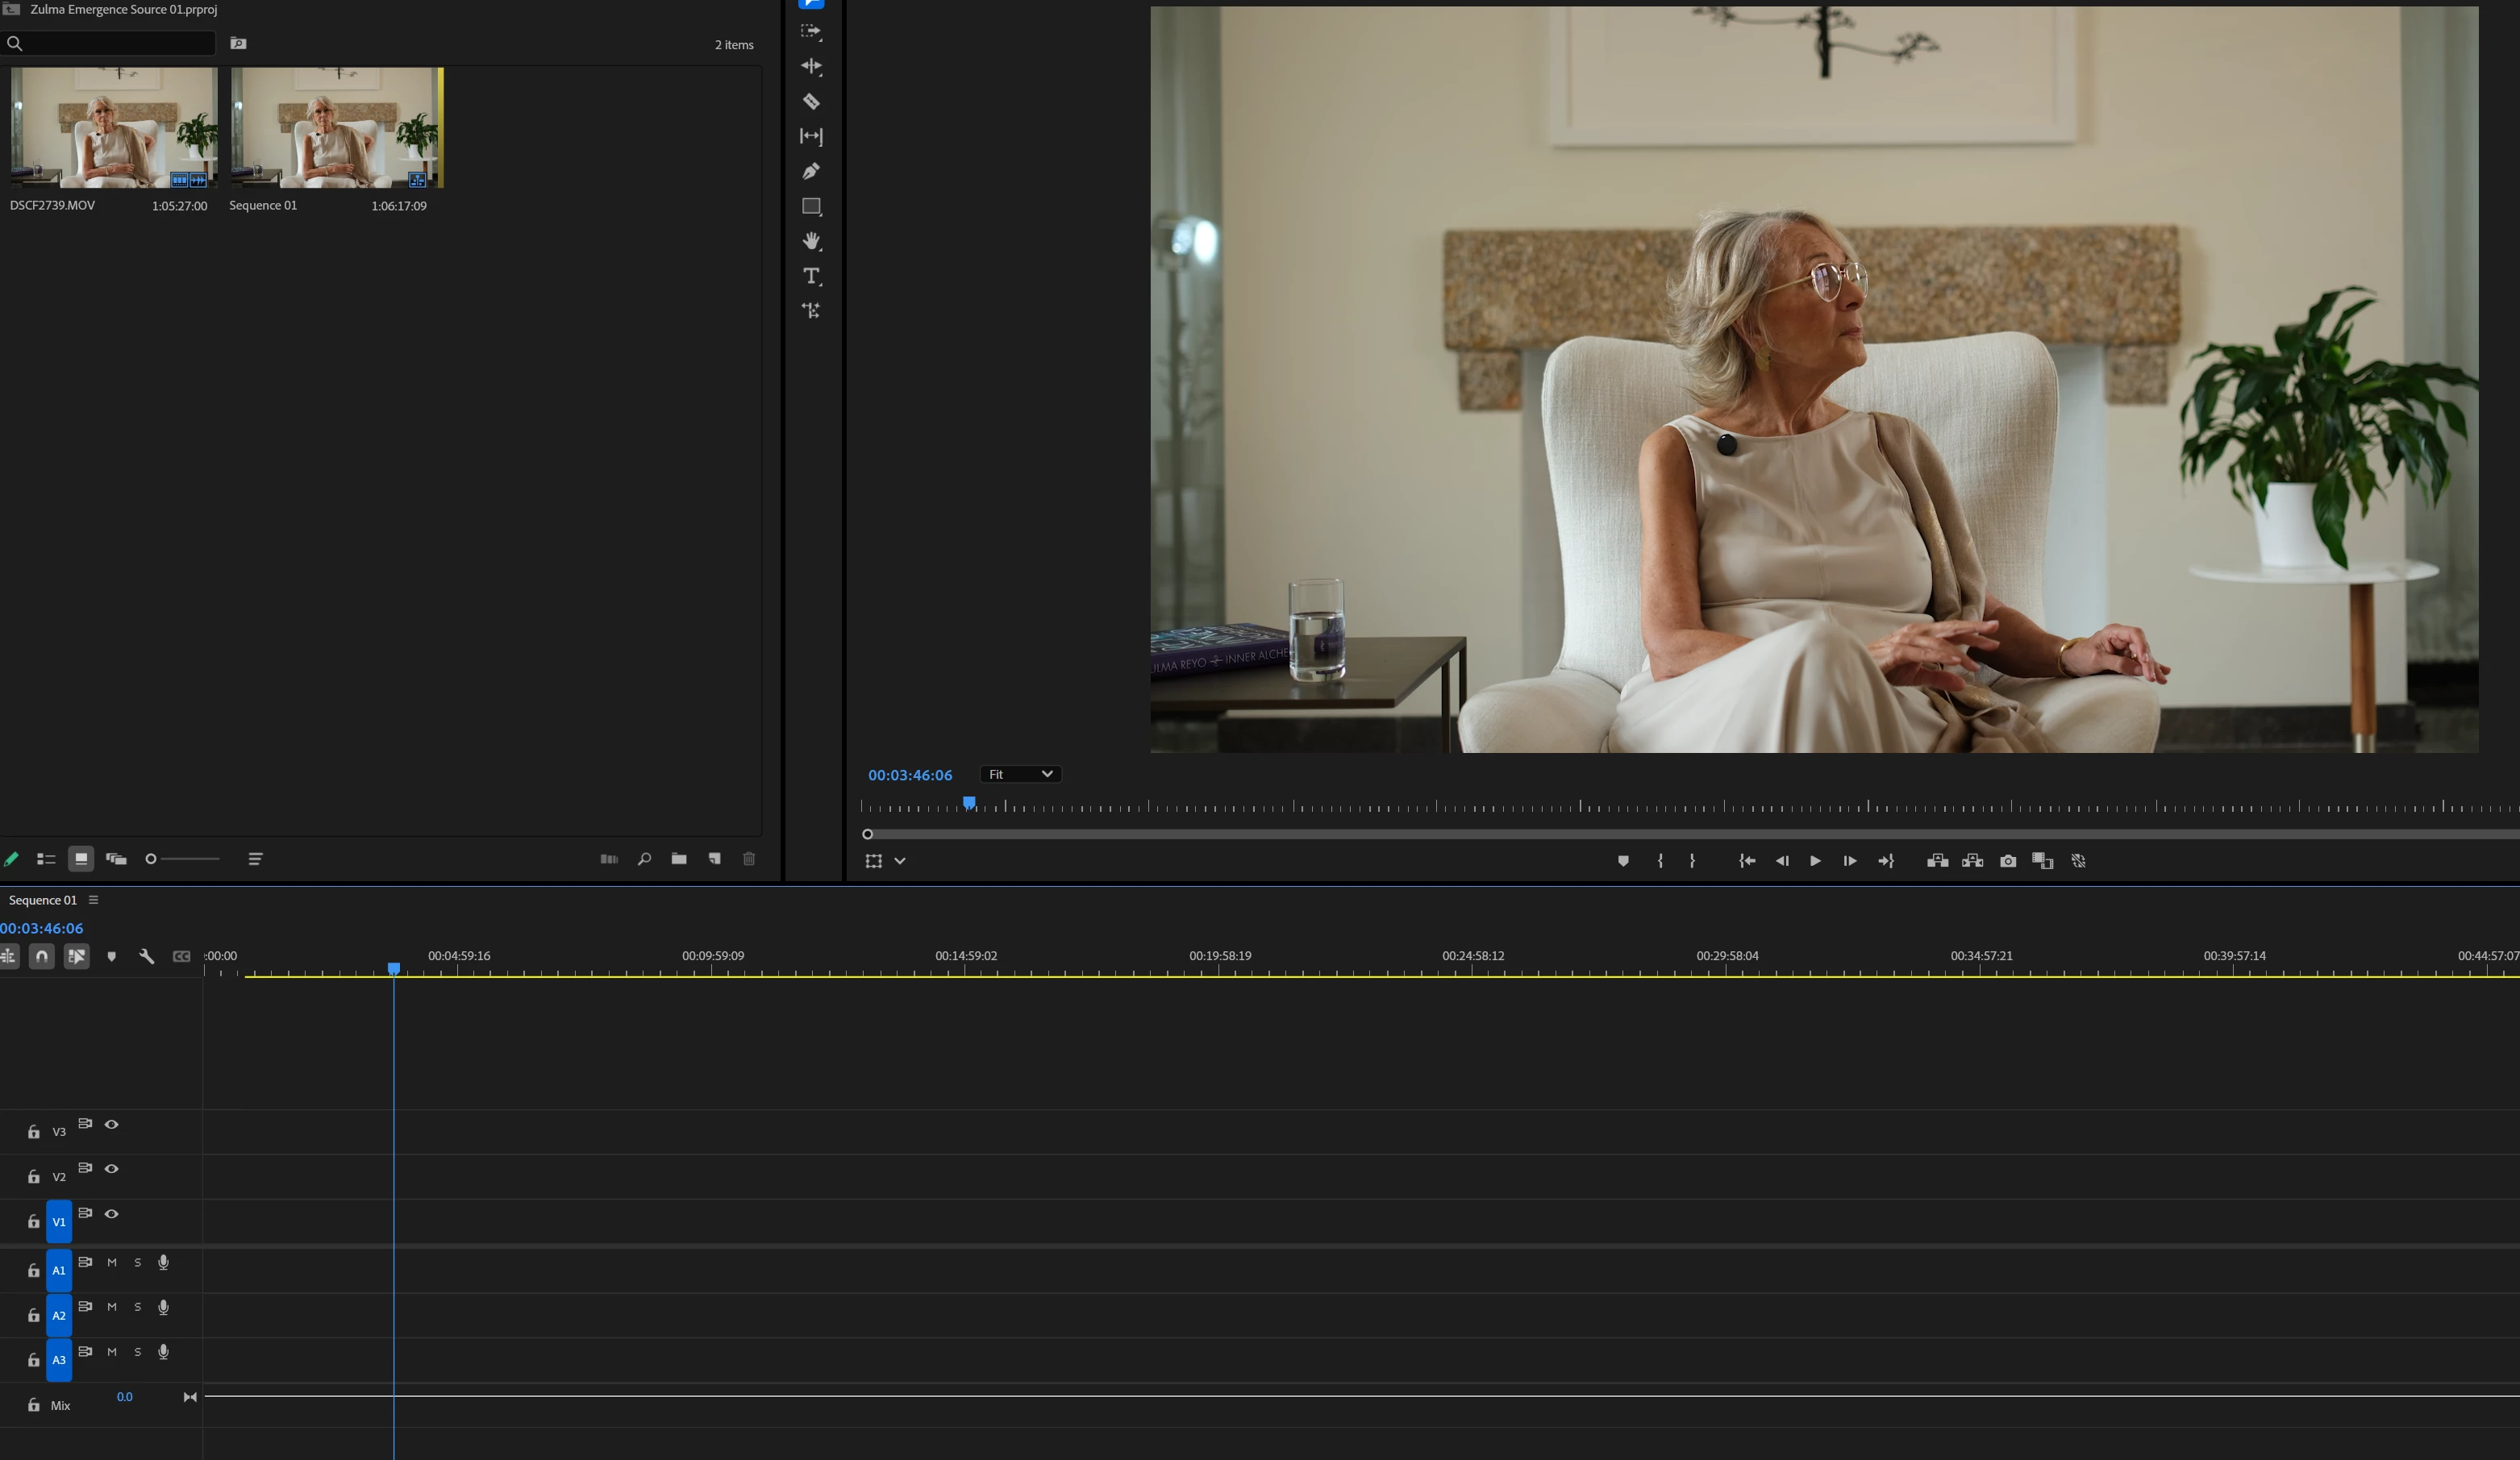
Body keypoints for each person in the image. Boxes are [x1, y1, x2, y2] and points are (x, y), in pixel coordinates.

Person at [1609, 209, 2168, 754]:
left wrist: (2069, 651)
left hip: (1888, 708)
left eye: (1850, 274)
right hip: (1722, 708)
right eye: (1823, 278)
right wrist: (1845, 660)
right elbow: (1672, 647)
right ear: (1751, 322)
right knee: (1814, 658)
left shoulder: (1894, 447)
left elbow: (1971, 613)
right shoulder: (1678, 452)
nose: (1855, 295)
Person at [78, 96, 156, 189]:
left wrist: (139, 158)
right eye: (98, 111)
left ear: (112, 113)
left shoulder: (127, 132)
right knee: (103, 183)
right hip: (100, 181)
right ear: (93, 116)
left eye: (107, 110)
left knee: (130, 184)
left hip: (126, 180)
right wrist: (114, 169)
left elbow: (150, 141)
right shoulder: (89, 139)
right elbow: (87, 174)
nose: (103, 115)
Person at [297, 97, 375, 188]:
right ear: (313, 116)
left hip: (345, 180)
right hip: (320, 181)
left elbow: (370, 141)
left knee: (350, 184)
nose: (323, 115)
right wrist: (334, 169)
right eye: (318, 111)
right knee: (323, 182)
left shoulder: (347, 133)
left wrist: (359, 159)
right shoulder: (309, 139)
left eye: (326, 110)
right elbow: (307, 174)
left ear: (332, 113)